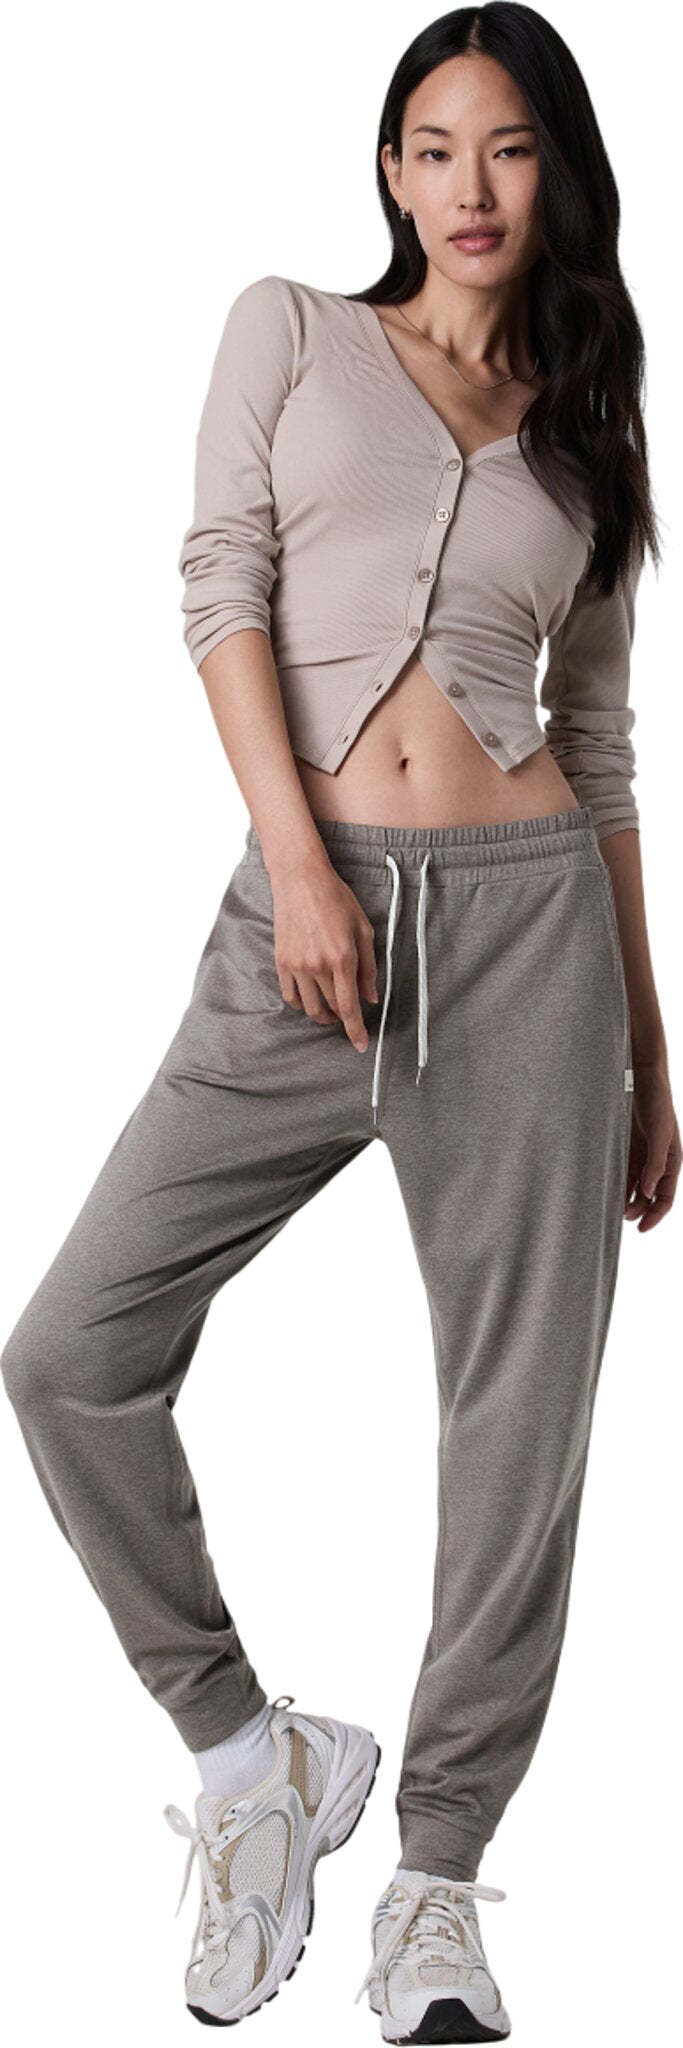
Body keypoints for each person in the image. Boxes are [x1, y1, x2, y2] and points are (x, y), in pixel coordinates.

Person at [2, 5, 680, 2041]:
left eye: (509, 149)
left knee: (518, 1432)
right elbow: (219, 589)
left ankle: (439, 1884)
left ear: (558, 172)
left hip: (536, 941)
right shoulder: (287, 332)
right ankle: (250, 1757)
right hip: (303, 929)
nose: (470, 188)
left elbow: (596, 738)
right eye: (433, 147)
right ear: (388, 169)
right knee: (69, 1350)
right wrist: (301, 870)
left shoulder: (593, 417)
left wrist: (650, 1040)